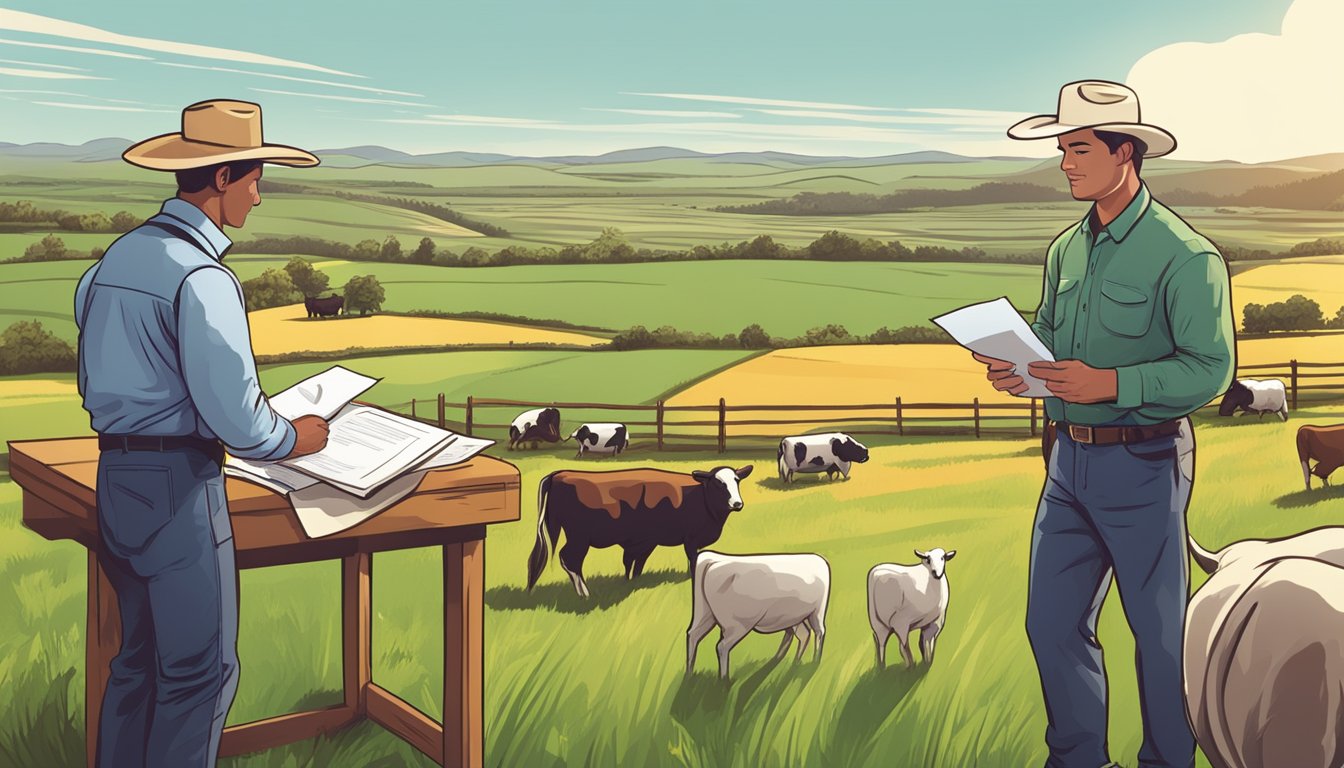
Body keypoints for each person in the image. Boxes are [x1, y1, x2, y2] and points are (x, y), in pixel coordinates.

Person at [974, 80, 1235, 768]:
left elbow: (1209, 370)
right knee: (1050, 623)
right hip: (1066, 464)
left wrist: (1113, 384)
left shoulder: (1187, 255)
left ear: (1127, 153)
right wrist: (1016, 366)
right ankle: (1079, 759)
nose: (1064, 162)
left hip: (1146, 463)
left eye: (1078, 148)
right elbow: (1051, 335)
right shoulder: (1067, 249)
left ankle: (1169, 761)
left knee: (1159, 633)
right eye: (1062, 149)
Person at [75, 99, 330, 767]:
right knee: (198, 675)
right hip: (181, 487)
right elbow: (240, 422)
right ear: (221, 180)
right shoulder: (203, 278)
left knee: (136, 663)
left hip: (117, 477)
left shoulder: (119, 256)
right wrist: (296, 437)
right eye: (254, 179)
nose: (259, 195)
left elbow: (93, 337)